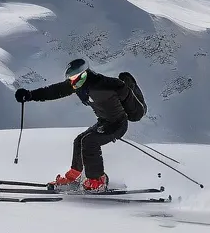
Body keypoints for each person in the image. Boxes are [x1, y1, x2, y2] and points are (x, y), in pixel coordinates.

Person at [15, 58, 128, 191]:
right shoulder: (78, 85)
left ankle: (98, 180)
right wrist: (30, 95)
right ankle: (74, 178)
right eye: (70, 78)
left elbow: (120, 87)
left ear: (84, 73)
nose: (72, 80)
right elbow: (55, 91)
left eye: (74, 77)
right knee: (79, 141)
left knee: (89, 142)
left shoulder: (99, 83)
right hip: (104, 122)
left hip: (118, 124)